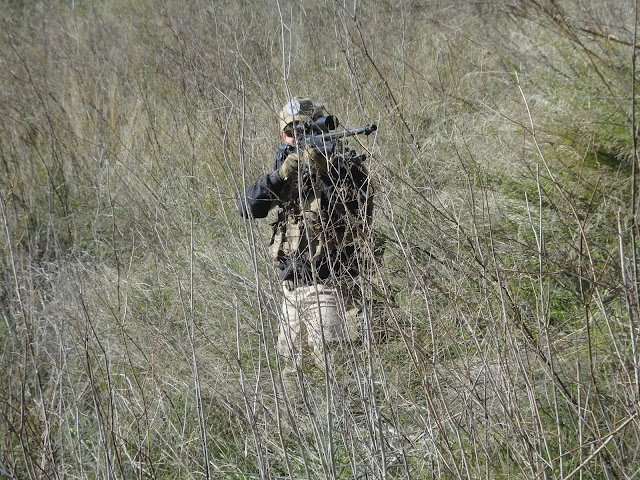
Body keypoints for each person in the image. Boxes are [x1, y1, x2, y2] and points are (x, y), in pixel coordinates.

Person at [238, 97, 374, 373]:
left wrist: (326, 174)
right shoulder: (289, 168)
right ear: (282, 135)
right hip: (291, 289)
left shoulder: (347, 167)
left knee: (334, 372)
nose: (298, 137)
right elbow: (248, 208)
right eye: (291, 132)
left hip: (330, 285)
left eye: (306, 129)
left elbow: (358, 220)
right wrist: (282, 174)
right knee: (291, 373)